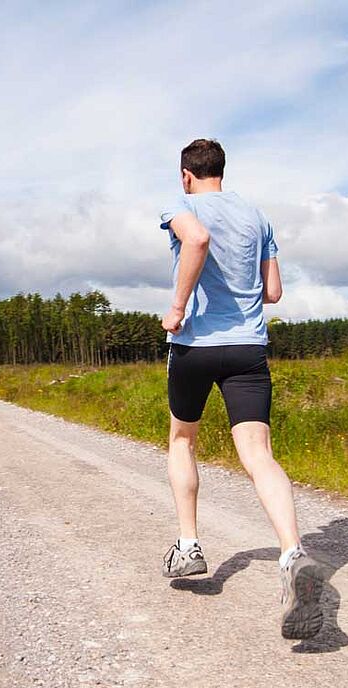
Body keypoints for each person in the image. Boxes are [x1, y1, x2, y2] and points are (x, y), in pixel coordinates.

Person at [159, 138, 324, 640]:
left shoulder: (181, 206)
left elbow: (198, 240)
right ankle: (293, 552)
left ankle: (189, 546)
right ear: (221, 172)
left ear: (187, 175)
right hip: (249, 348)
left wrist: (178, 306)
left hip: (195, 346)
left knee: (182, 439)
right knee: (258, 453)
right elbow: (272, 291)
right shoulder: (257, 216)